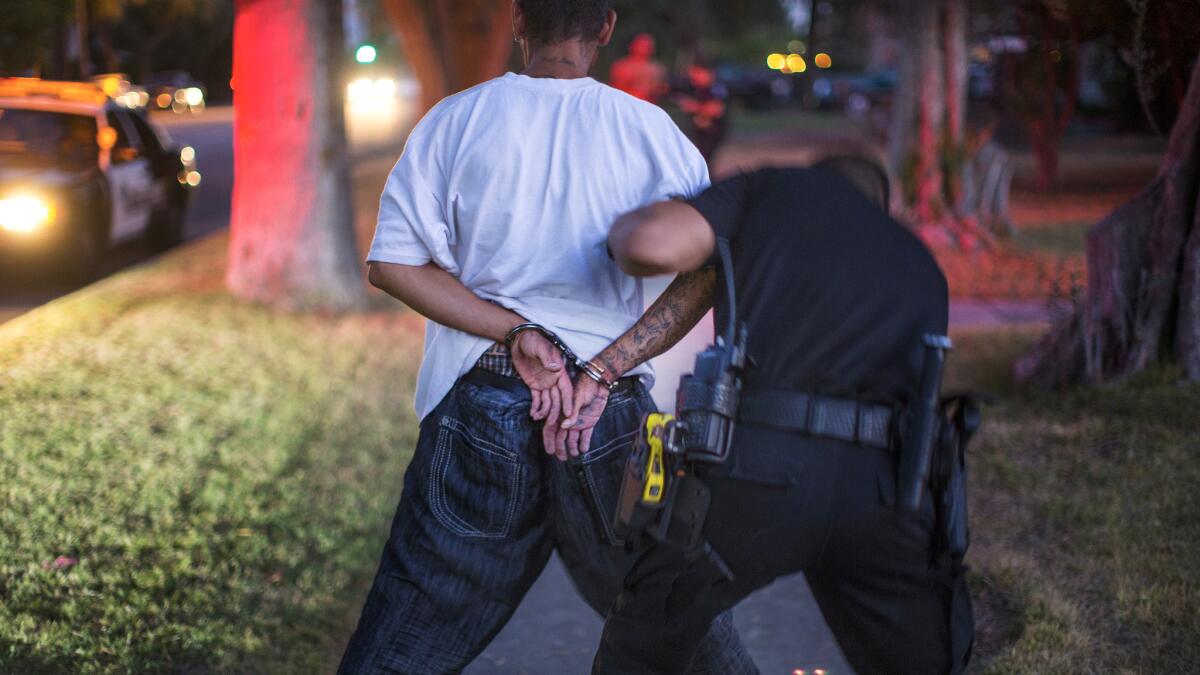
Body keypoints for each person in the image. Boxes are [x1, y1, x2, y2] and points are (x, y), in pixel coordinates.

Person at [336, 1, 754, 672]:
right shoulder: (651, 131)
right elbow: (711, 271)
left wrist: (519, 331)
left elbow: (391, 264)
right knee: (688, 630)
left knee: (403, 645)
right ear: (608, 27)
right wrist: (604, 368)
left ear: (517, 20)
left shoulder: (456, 119)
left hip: (480, 408)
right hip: (606, 416)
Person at [550, 163, 974, 675]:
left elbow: (651, 244)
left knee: (646, 634)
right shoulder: (919, 262)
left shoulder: (771, 190)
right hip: (887, 493)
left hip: (760, 472)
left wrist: (618, 233)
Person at [677, 62, 727, 166]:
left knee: (704, 161)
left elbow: (717, 110)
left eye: (697, 73)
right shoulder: (697, 89)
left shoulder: (715, 88)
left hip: (711, 131)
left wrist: (694, 106)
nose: (694, 77)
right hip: (698, 132)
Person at [608, 33, 669, 103]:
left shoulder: (658, 69)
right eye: (641, 45)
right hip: (626, 104)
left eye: (647, 45)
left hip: (648, 107)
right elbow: (615, 90)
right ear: (632, 46)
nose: (644, 48)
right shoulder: (621, 66)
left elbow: (664, 90)